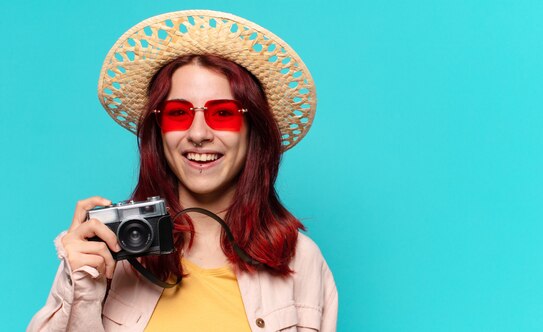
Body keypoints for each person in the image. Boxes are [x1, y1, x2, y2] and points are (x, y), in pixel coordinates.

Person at [28, 10, 337, 331]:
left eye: (223, 113)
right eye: (178, 113)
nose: (199, 133)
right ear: (158, 131)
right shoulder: (105, 251)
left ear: (251, 129)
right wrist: (80, 289)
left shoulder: (302, 261)